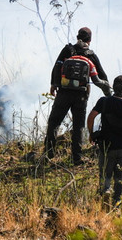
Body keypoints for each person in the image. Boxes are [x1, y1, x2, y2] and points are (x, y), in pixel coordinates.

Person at [44, 27, 112, 165]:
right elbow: (102, 76)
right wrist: (109, 94)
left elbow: (57, 67)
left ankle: (49, 154)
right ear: (90, 40)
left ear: (77, 37)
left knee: (54, 122)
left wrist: (54, 84)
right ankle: (77, 157)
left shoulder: (68, 50)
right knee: (78, 126)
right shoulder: (90, 55)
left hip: (63, 93)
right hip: (81, 95)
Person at [87, 75, 122, 209]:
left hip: (106, 145)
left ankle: (105, 192)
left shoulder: (104, 101)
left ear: (113, 87)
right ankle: (117, 202)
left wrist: (91, 134)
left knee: (105, 173)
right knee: (120, 176)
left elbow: (91, 116)